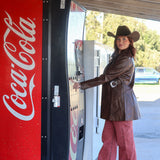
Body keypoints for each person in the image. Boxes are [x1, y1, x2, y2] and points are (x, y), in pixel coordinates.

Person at [73, 25, 141, 160]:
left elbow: (105, 77)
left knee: (125, 145)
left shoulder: (125, 59)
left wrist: (81, 85)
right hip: (113, 107)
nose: (120, 42)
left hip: (122, 109)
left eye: (124, 39)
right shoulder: (118, 57)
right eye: (118, 39)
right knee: (108, 141)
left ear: (130, 41)